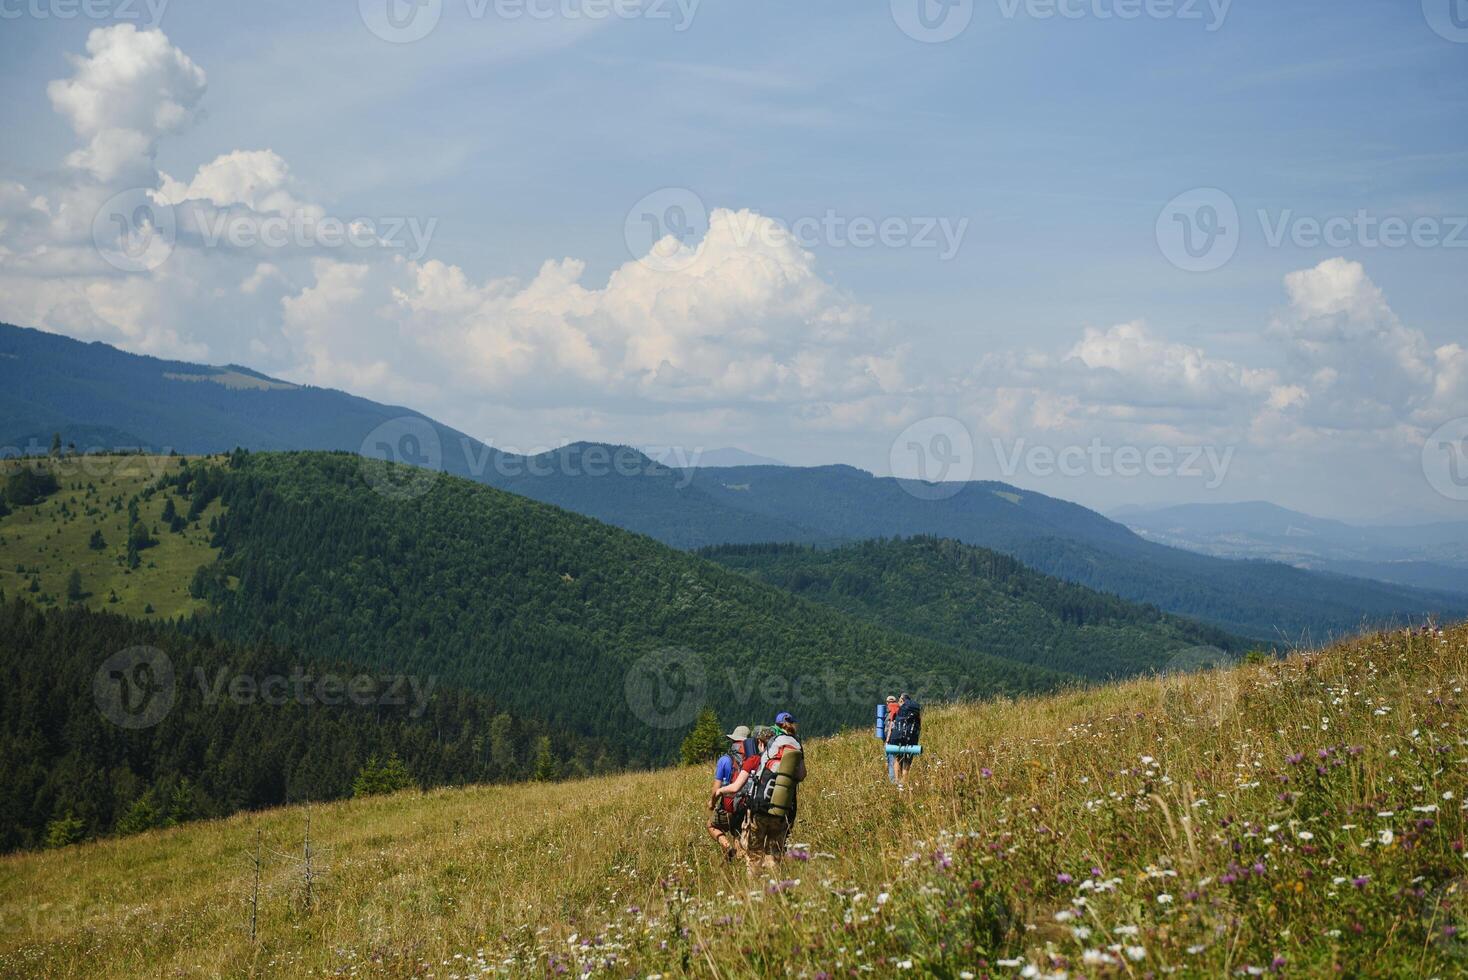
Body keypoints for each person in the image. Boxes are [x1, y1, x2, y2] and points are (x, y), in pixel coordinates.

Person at [743, 712, 806, 873]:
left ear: (777, 725)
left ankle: (753, 889)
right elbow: (802, 775)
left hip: (761, 805)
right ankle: (775, 887)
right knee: (774, 853)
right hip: (782, 807)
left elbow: (759, 766)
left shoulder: (771, 742)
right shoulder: (797, 744)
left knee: (754, 853)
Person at [707, 724, 751, 861]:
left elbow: (716, 789)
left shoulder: (725, 760)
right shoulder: (753, 759)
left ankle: (726, 846)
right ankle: (741, 862)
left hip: (728, 807)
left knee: (711, 825)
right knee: (738, 832)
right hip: (746, 807)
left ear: (733, 741)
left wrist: (712, 803)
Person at [889, 693, 922, 788]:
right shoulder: (915, 710)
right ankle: (904, 781)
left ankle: (896, 781)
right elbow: (919, 725)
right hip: (911, 739)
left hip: (897, 738)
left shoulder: (900, 710)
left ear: (902, 701)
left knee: (897, 759)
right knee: (907, 760)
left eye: (899, 701)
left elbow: (893, 724)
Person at [878, 694, 899, 783]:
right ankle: (895, 781)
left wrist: (885, 741)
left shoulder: (886, 714)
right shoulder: (898, 712)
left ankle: (892, 781)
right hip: (894, 740)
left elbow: (886, 728)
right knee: (894, 762)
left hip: (888, 741)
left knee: (890, 762)